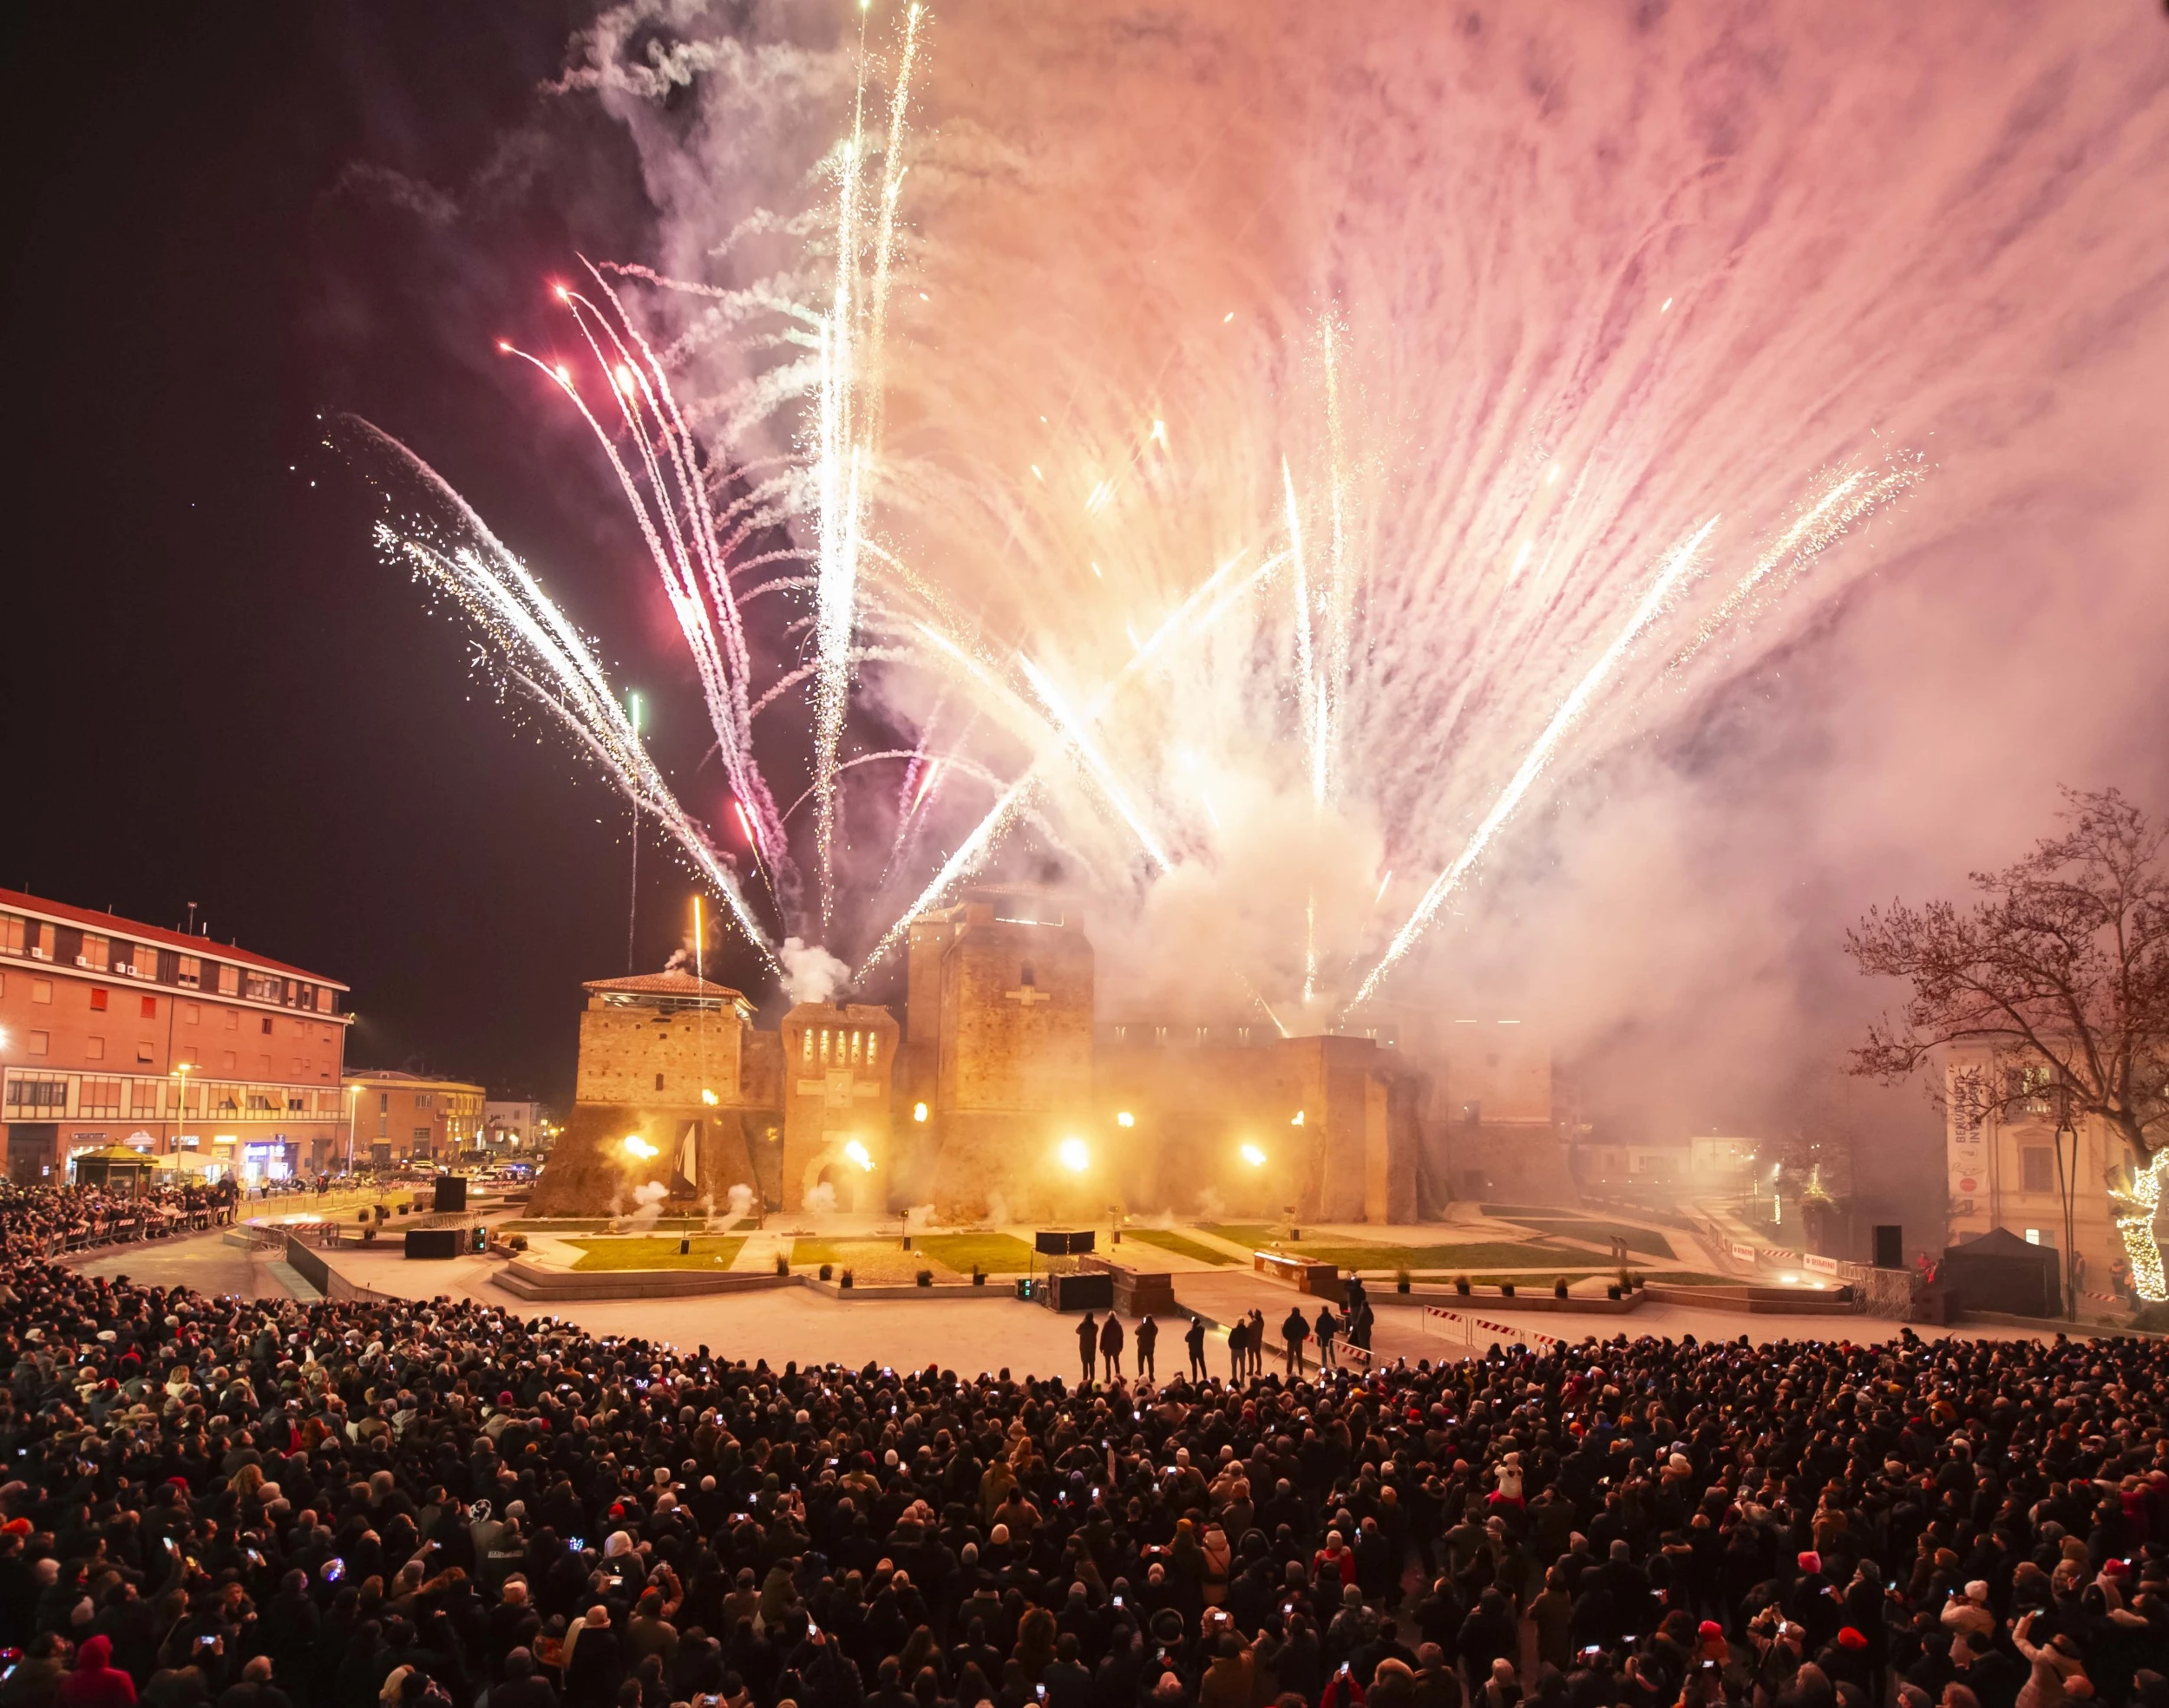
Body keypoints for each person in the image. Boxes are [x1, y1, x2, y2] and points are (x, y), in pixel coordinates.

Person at [1281, 1306, 1309, 1376]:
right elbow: (1307, 1329)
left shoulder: (1289, 1320)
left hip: (1292, 1341)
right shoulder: (1301, 1319)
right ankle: (1301, 1372)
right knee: (1299, 1357)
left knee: (1290, 1357)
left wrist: (1289, 1338)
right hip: (1299, 1340)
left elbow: (1284, 1330)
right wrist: (1302, 1336)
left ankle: (1289, 1372)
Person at [1098, 1312, 1125, 1384]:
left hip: (1107, 1347)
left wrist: (1101, 1347)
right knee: (1116, 1363)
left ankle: (1108, 1378)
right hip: (1116, 1347)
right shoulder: (1118, 1325)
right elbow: (1121, 1337)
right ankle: (1118, 1378)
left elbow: (1103, 1336)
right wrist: (1121, 1346)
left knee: (1108, 1364)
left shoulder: (1106, 1325)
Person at [1076, 1312, 1098, 1385]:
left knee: (1085, 1365)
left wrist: (1083, 1322)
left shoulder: (1082, 1326)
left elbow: (1077, 1331)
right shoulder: (1095, 1326)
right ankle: (1092, 1380)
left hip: (1084, 1348)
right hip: (1092, 1348)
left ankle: (1085, 1381)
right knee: (1092, 1364)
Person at [1314, 1306, 1340, 1371]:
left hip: (1322, 1338)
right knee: (1331, 1351)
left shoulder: (1320, 1319)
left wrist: (1321, 1334)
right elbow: (1336, 1328)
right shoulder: (1331, 1319)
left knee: (1323, 1352)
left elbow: (1316, 1329)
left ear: (1322, 1310)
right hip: (1329, 1338)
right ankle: (1333, 1363)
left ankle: (1324, 1365)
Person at [1185, 1313, 1209, 1380]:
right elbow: (1201, 1327)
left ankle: (1194, 1380)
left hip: (1192, 1351)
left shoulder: (1192, 1332)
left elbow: (1186, 1339)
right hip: (1200, 1350)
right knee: (1202, 1364)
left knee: (1194, 1366)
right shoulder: (1202, 1330)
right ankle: (1205, 1378)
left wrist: (1192, 1329)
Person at [1135, 1313, 1158, 1382]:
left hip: (1142, 1347)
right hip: (1150, 1348)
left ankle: (1141, 1376)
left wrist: (1142, 1323)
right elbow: (1156, 1329)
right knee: (1150, 1363)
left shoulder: (1143, 1327)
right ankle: (1151, 1376)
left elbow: (1136, 1332)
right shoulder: (1154, 1328)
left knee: (1141, 1363)